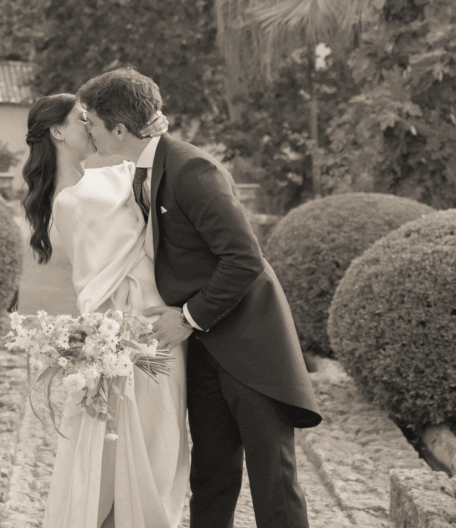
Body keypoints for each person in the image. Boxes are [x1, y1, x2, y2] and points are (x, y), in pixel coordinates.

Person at [78, 66, 322, 528]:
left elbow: (245, 258)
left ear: (119, 129)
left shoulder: (191, 168)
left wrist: (187, 319)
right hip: (206, 356)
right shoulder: (142, 171)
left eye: (89, 120)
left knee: (273, 480)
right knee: (210, 477)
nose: (86, 128)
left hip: (251, 346)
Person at [22, 93, 190, 528]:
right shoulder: (77, 197)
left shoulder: (103, 181)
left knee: (146, 450)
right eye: (83, 120)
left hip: (140, 332)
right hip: (136, 334)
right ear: (58, 132)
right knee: (138, 452)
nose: (93, 126)